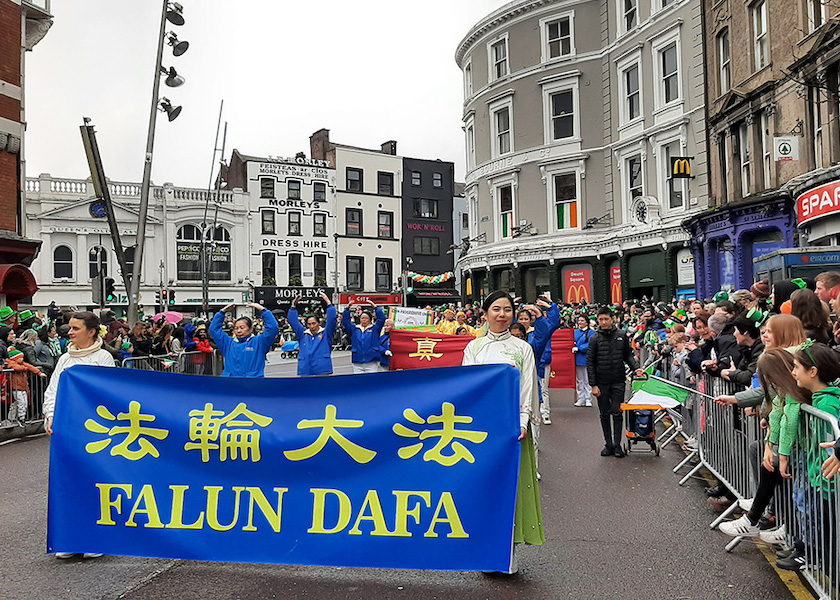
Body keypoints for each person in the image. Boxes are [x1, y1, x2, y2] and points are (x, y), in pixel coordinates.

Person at [461, 290, 544, 572]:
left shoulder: (523, 349)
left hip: (512, 429)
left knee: (512, 490)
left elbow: (527, 387)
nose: (502, 315)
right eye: (496, 309)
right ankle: (486, 550)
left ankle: (509, 556)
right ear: (484, 314)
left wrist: (522, 421)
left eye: (507, 309)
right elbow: (467, 386)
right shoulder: (474, 348)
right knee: (485, 489)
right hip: (481, 430)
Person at [43, 311, 116, 560]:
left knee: (93, 482)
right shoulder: (64, 359)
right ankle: (70, 538)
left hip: (94, 432)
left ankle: (94, 538)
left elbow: (109, 394)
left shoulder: (103, 358)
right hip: (67, 430)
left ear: (92, 331)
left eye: (75, 328)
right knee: (68, 483)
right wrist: (50, 415)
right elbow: (53, 389)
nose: (70, 332)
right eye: (69, 328)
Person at [587, 306, 641, 458]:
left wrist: (636, 368)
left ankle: (617, 445)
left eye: (606, 319)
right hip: (601, 382)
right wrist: (593, 385)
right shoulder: (594, 338)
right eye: (600, 319)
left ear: (612, 319)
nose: (603, 322)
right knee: (604, 413)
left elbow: (628, 355)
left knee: (617, 412)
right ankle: (608, 444)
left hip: (618, 380)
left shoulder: (622, 335)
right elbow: (590, 362)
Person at [210, 302, 279, 377]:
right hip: (230, 383)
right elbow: (214, 329)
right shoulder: (228, 343)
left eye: (242, 328)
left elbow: (273, 328)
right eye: (236, 328)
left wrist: (262, 310)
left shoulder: (259, 342)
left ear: (251, 329)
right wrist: (222, 312)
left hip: (252, 384)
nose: (238, 331)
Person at [288, 292, 338, 377]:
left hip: (322, 370)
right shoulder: (303, 334)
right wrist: (293, 306)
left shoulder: (326, 333)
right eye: (309, 324)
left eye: (314, 323)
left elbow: (332, 320)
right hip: (305, 369)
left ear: (319, 323)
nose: (312, 326)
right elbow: (293, 321)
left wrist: (328, 302)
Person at [5, 347, 46, 425]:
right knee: (21, 403)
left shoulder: (22, 363)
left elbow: (30, 366)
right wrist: (25, 368)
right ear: (15, 358)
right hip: (16, 387)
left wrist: (38, 372)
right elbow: (17, 368)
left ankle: (20, 418)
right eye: (20, 358)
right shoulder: (11, 363)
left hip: (23, 387)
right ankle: (20, 419)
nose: (22, 359)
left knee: (24, 403)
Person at [342, 301, 386, 374]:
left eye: (366, 318)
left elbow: (382, 319)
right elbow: (345, 321)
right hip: (357, 361)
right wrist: (347, 308)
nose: (364, 320)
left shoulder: (374, 329)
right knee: (359, 382)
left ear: (370, 319)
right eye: (362, 318)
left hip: (371, 361)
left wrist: (375, 307)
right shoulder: (354, 329)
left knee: (371, 381)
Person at [573, 315, 593, 407]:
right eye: (579, 320)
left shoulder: (591, 332)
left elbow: (590, 344)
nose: (580, 322)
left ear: (586, 322)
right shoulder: (575, 332)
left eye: (582, 320)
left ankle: (588, 398)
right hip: (577, 358)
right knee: (579, 379)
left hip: (586, 358)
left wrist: (579, 348)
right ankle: (581, 398)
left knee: (587, 379)